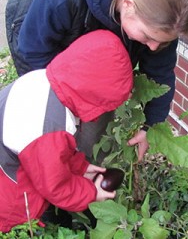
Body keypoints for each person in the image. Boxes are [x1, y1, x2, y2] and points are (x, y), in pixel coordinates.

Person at [5, 0, 188, 162]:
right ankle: (36, 170)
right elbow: (34, 55)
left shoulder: (161, 21)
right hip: (36, 30)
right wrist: (60, 113)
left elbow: (160, 73)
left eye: (161, 42)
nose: (153, 47)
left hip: (89, 42)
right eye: (148, 38)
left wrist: (149, 127)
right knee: (46, 120)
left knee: (94, 123)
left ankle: (85, 171)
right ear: (128, 5)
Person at [0, 30, 133, 233]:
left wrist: (80, 168)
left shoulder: (42, 81)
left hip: (10, 164)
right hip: (9, 200)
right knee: (16, 231)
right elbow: (55, 187)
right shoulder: (49, 130)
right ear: (93, 95)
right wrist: (92, 193)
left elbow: (53, 156)